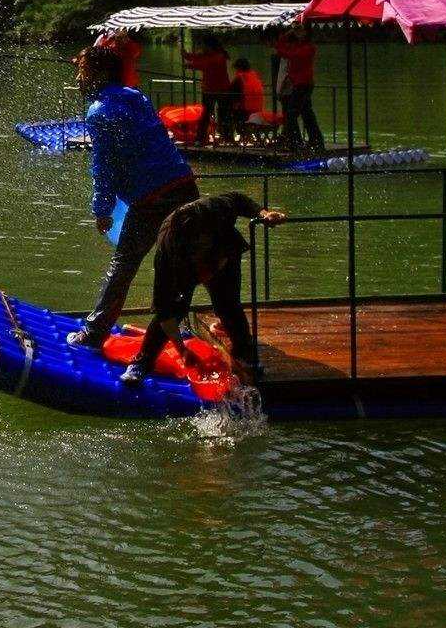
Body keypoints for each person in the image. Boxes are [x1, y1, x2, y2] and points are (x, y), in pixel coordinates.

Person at [71, 43, 199, 350]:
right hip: (184, 185)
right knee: (180, 262)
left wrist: (102, 210)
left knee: (124, 264)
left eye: (83, 71)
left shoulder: (100, 112)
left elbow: (104, 165)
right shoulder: (136, 96)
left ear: (100, 74)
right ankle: (177, 324)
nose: (78, 78)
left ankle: (94, 333)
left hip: (152, 197)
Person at [124, 191, 287, 385]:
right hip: (186, 263)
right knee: (175, 308)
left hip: (224, 251)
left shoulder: (215, 209)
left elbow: (239, 199)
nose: (205, 279)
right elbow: (163, 311)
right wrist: (181, 349)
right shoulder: (168, 255)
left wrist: (263, 213)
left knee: (228, 304)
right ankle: (142, 361)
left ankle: (243, 351)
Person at [273, 27, 325, 151]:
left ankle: (297, 142)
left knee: (291, 113)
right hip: (299, 84)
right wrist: (290, 32)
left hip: (303, 84)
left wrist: (290, 35)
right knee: (306, 113)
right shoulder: (297, 47)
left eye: (301, 32)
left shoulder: (308, 49)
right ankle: (315, 141)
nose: (298, 34)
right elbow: (279, 46)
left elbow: (284, 51)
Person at [184, 34, 233, 144]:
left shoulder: (219, 56)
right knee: (206, 115)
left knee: (223, 114)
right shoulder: (209, 55)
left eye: (204, 45)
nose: (202, 48)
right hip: (209, 90)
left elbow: (206, 65)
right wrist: (187, 56)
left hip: (220, 90)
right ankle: (201, 138)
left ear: (209, 46)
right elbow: (199, 58)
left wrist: (190, 65)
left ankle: (227, 137)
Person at [232, 58, 270, 141]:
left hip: (246, 112)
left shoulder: (239, 78)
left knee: (225, 110)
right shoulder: (254, 76)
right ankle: (247, 135)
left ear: (239, 68)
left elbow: (232, 96)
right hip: (258, 111)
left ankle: (229, 136)